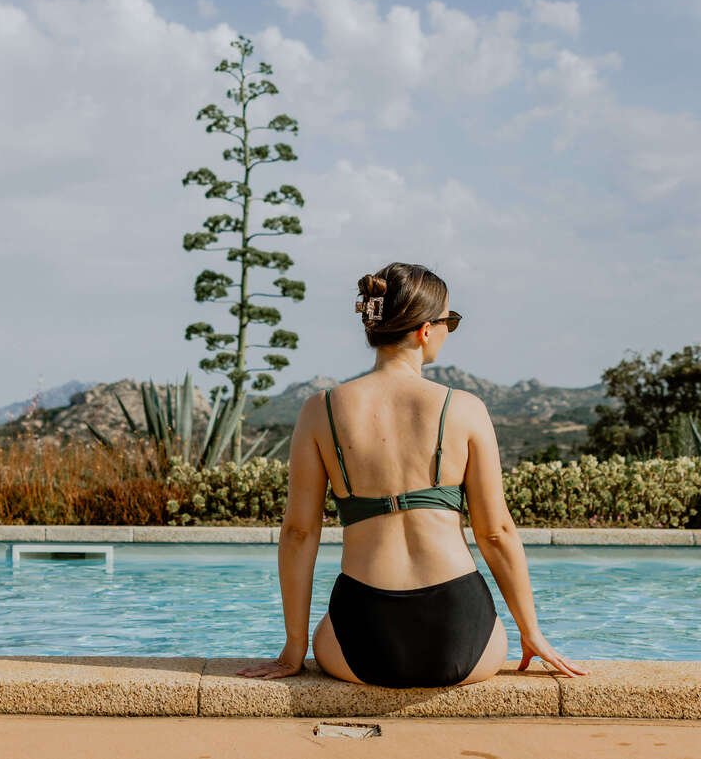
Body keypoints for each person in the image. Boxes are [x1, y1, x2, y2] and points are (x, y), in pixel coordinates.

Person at [236, 262, 587, 687]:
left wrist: (294, 648)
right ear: (425, 330)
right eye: (449, 322)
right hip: (462, 640)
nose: (447, 331)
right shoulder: (465, 408)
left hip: (361, 643)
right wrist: (532, 633)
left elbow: (298, 532)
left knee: (328, 631)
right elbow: (495, 532)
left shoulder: (320, 410)